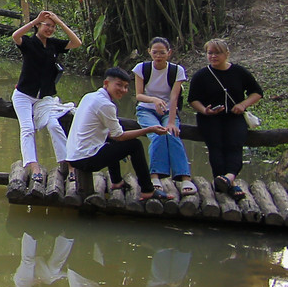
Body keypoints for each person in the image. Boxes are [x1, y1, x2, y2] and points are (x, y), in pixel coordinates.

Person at [64, 65, 169, 205]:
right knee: (135, 145)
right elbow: (119, 136)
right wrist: (149, 129)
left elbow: (113, 134)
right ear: (106, 83)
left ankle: (117, 182)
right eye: (119, 85)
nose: (123, 90)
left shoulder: (89, 96)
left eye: (126, 87)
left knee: (113, 141)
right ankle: (147, 190)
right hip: (85, 159)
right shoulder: (105, 104)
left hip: (74, 155)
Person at [187, 37, 262, 201]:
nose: (213, 56)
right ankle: (227, 183)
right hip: (210, 118)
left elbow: (257, 92)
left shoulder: (239, 72)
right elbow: (193, 99)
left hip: (234, 116)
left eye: (217, 53)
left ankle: (228, 178)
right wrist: (205, 111)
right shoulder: (201, 75)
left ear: (227, 54)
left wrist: (242, 105)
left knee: (235, 145)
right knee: (215, 147)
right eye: (210, 53)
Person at [10, 9, 80, 179]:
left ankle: (69, 165)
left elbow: (76, 42)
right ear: (38, 26)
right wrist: (36, 20)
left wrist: (59, 21)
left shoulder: (54, 44)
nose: (50, 29)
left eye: (53, 27)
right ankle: (34, 168)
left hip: (45, 98)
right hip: (23, 95)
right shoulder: (28, 42)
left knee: (54, 126)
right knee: (27, 129)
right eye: (47, 25)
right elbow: (15, 36)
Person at [132, 37, 197, 200]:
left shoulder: (177, 71)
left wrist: (171, 122)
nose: (158, 56)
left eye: (162, 53)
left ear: (169, 53)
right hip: (146, 109)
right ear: (149, 52)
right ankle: (155, 176)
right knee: (158, 134)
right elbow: (139, 95)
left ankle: (185, 177)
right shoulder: (141, 68)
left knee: (172, 134)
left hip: (169, 110)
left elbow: (174, 97)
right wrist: (154, 100)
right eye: (155, 52)